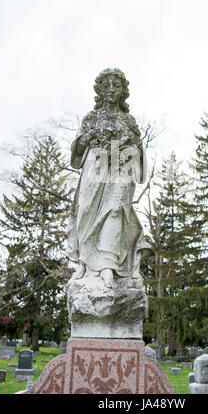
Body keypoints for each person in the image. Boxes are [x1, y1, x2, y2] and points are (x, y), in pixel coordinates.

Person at [67, 68, 147, 289]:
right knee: (86, 210)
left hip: (120, 171)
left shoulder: (128, 120)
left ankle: (107, 266)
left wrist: (125, 148)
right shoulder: (91, 118)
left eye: (117, 85)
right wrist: (89, 137)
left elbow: (139, 152)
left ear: (123, 91)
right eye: (107, 85)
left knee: (115, 211)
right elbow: (77, 153)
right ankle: (86, 261)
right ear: (100, 90)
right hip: (94, 169)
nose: (112, 89)